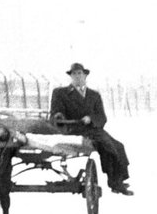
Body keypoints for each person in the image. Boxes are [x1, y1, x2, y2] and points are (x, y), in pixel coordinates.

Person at [49, 62, 133, 195]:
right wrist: (63, 120)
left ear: (85, 75)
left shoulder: (94, 95)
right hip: (73, 130)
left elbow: (102, 117)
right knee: (107, 146)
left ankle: (118, 180)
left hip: (93, 129)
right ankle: (115, 182)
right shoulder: (60, 93)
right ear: (70, 76)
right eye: (74, 74)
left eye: (80, 73)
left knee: (118, 146)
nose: (77, 76)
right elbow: (56, 115)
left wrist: (91, 119)